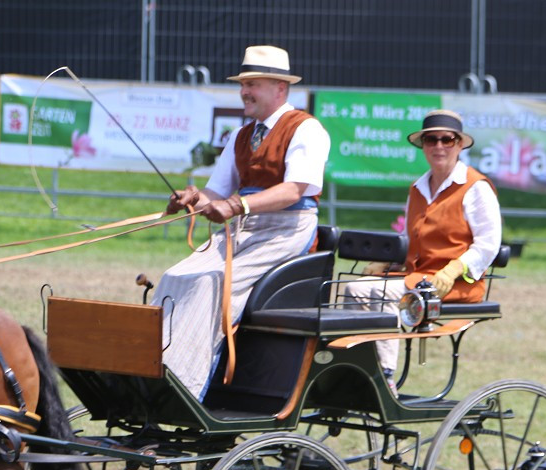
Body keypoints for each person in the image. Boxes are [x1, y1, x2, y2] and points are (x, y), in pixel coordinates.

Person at [154, 45, 331, 400]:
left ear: (280, 89)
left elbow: (295, 190)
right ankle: (149, 369)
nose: (244, 91)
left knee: (210, 282)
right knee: (175, 276)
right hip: (243, 228)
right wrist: (192, 198)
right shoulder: (241, 136)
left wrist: (236, 205)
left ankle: (182, 386)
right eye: (243, 84)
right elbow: (215, 193)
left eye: (253, 84)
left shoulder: (306, 129)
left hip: (286, 230)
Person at [345, 109, 502, 390]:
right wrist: (386, 262)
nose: (438, 146)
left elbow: (489, 244)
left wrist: (455, 268)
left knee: (379, 293)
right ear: (423, 146)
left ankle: (384, 378)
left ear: (459, 144)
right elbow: (408, 238)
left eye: (447, 140)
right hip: (419, 278)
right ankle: (355, 366)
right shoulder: (417, 188)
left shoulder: (476, 188)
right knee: (353, 289)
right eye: (431, 140)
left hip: (455, 284)